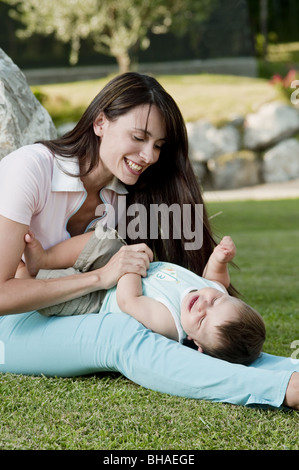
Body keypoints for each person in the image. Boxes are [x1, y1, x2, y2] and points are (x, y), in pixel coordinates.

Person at [0, 72, 298, 410]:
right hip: (7, 329)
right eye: (139, 137)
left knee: (193, 337)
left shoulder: (118, 199)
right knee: (119, 334)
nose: (149, 156)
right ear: (100, 122)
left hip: (57, 314)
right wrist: (100, 277)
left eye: (157, 145)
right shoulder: (32, 169)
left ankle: (287, 369)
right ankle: (281, 390)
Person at [22, 230, 265, 366]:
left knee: (51, 294)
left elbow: (129, 301)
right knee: (105, 238)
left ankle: (21, 274)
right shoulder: (213, 293)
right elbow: (216, 281)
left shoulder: (170, 322)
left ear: (197, 344)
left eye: (202, 322)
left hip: (99, 300)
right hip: (117, 268)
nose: (203, 306)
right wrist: (219, 260)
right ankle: (43, 259)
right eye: (216, 301)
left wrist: (129, 264)